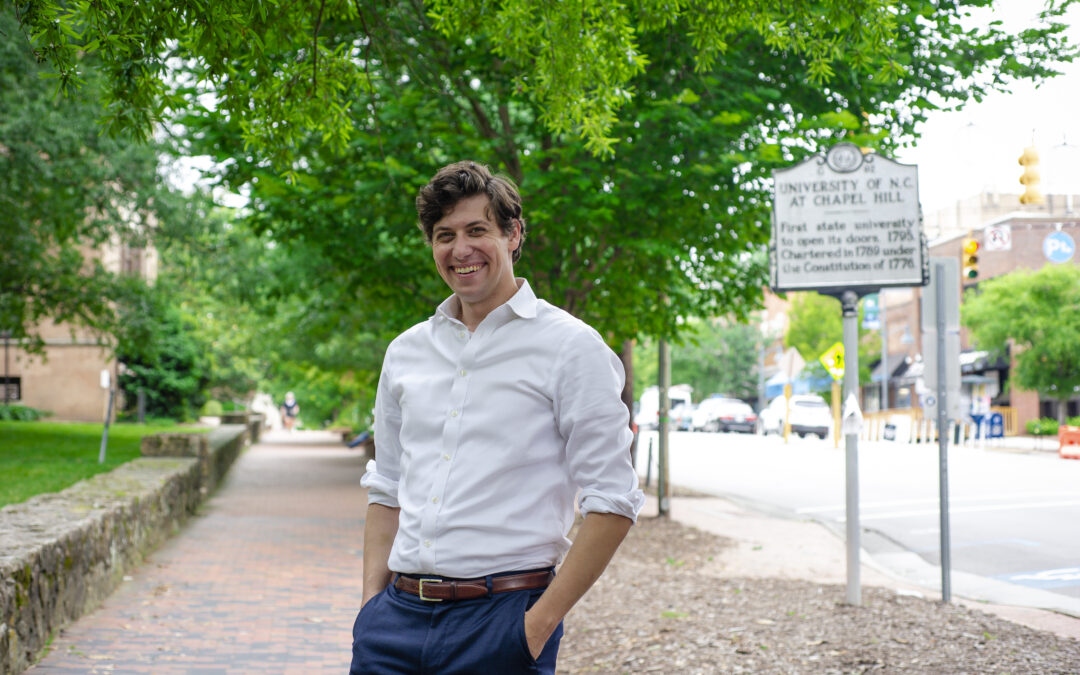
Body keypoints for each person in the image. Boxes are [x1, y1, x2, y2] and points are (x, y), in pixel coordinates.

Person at [351, 161, 644, 674]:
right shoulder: (406, 352)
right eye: (445, 235)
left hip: (503, 622)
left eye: (477, 230)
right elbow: (387, 488)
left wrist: (536, 627)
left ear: (513, 235)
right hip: (394, 623)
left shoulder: (571, 348)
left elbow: (613, 501)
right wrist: (369, 609)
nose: (459, 249)